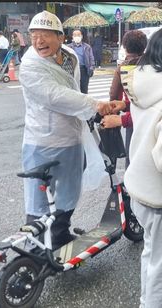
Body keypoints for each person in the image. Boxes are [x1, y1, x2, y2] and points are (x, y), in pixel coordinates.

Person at [18, 11, 118, 249]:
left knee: (69, 189)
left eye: (45, 35)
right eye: (34, 35)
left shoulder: (71, 56)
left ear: (61, 37)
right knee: (40, 195)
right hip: (42, 139)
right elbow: (55, 96)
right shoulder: (30, 65)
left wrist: (90, 109)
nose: (38, 41)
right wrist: (93, 105)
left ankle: (60, 234)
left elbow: (75, 89)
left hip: (71, 136)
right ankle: (37, 245)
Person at [114, 28, 162, 308]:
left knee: (151, 254)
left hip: (141, 189)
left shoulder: (143, 85)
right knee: (158, 263)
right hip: (157, 195)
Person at [103, 30, 148, 167]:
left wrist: (116, 117)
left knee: (133, 160)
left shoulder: (122, 68)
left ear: (124, 47)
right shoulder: (153, 65)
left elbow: (113, 96)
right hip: (146, 121)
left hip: (132, 121)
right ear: (144, 46)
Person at [67, 29, 95, 94]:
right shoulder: (68, 47)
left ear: (81, 36)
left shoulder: (87, 47)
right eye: (75, 35)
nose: (77, 36)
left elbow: (91, 58)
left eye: (78, 35)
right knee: (74, 90)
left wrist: (91, 68)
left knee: (84, 90)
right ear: (72, 37)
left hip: (84, 70)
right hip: (73, 70)